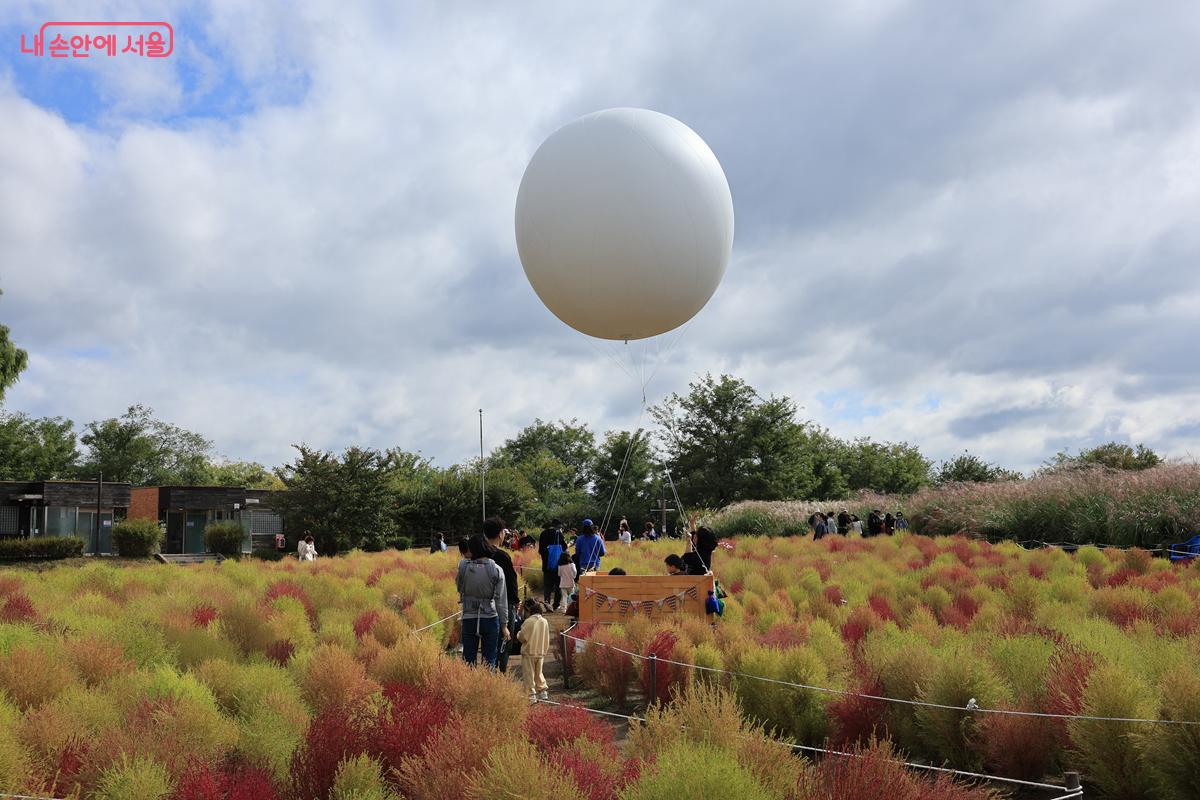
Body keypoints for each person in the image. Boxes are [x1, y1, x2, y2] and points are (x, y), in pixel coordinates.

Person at [456, 534, 509, 668]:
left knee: (468, 661)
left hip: (469, 617)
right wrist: (504, 625)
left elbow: (459, 587)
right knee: (489, 660)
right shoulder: (496, 569)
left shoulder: (463, 566)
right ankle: (485, 686)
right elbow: (501, 600)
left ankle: (469, 686)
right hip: (490, 617)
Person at [483, 517, 521, 673]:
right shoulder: (501, 556)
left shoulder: (479, 554)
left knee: (487, 644)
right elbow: (511, 581)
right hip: (505, 604)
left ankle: (487, 672)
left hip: (482, 605)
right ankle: (499, 674)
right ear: (500, 534)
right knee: (504, 642)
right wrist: (516, 600)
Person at [517, 597, 550, 701]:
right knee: (539, 673)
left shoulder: (528, 621)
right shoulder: (544, 621)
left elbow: (522, 637)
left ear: (530, 611)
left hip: (529, 652)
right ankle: (543, 691)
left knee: (529, 675)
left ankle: (531, 695)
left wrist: (518, 634)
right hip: (540, 652)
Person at [538, 519, 566, 607]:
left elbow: (541, 550)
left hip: (546, 564)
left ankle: (547, 603)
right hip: (558, 565)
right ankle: (556, 604)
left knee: (547, 585)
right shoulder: (559, 534)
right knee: (558, 585)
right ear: (558, 526)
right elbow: (564, 548)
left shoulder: (543, 534)